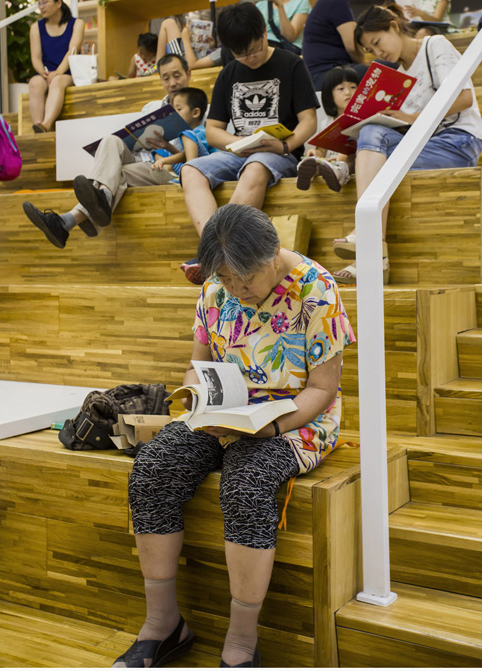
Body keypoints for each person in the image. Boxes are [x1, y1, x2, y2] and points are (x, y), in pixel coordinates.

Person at [112, 203, 355, 669]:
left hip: (295, 420)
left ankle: (242, 644)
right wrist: (200, 399)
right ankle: (163, 625)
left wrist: (270, 426)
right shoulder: (214, 288)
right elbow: (196, 366)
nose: (237, 290)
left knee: (246, 483)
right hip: (225, 415)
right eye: (226, 279)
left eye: (245, 280)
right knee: (154, 468)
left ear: (272, 256)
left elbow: (323, 389)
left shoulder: (316, 289)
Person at [332, 4, 482, 286]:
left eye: (377, 42)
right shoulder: (397, 76)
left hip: (458, 142)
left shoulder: (434, 45)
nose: (378, 52)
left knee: (376, 156)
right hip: (424, 145)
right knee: (371, 132)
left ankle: (367, 243)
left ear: (394, 26)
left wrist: (411, 117)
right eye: (370, 49)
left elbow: (464, 98)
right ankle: (373, 248)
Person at [179, 2, 318, 284]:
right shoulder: (229, 73)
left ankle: (218, 255)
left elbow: (309, 121)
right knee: (190, 170)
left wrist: (285, 146)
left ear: (264, 33)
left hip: (280, 152)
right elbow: (213, 131)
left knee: (255, 167)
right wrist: (240, 142)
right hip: (240, 150)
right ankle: (215, 252)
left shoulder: (291, 63)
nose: (250, 58)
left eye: (254, 49)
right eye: (240, 54)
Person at [22, 56, 200, 248]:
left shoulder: (200, 109)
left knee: (115, 174)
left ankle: (66, 221)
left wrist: (166, 149)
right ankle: (100, 199)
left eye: (177, 76)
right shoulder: (151, 108)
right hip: (144, 162)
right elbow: (139, 144)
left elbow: (199, 152)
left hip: (170, 171)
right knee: (110, 140)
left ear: (188, 74)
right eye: (166, 78)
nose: (172, 83)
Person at [302, 0, 367, 90]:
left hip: (322, 76)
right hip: (328, 75)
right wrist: (366, 65)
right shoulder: (336, 0)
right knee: (390, 67)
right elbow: (352, 46)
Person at [28, 0, 84, 133]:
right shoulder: (36, 28)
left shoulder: (77, 24)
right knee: (35, 83)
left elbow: (72, 52)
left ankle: (46, 124)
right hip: (47, 73)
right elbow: (36, 57)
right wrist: (43, 72)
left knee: (57, 81)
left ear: (58, 3)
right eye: (39, 3)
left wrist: (58, 72)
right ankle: (38, 126)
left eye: (45, 2)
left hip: (67, 73)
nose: (41, 7)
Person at [296, 65, 359, 192]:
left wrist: (342, 157)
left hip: (349, 165)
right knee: (316, 161)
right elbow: (322, 150)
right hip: (328, 163)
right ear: (330, 95)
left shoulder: (362, 120)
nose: (348, 92)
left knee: (350, 158)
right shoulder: (327, 123)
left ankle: (338, 173)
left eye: (353, 87)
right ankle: (307, 170)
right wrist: (315, 154)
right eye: (341, 89)